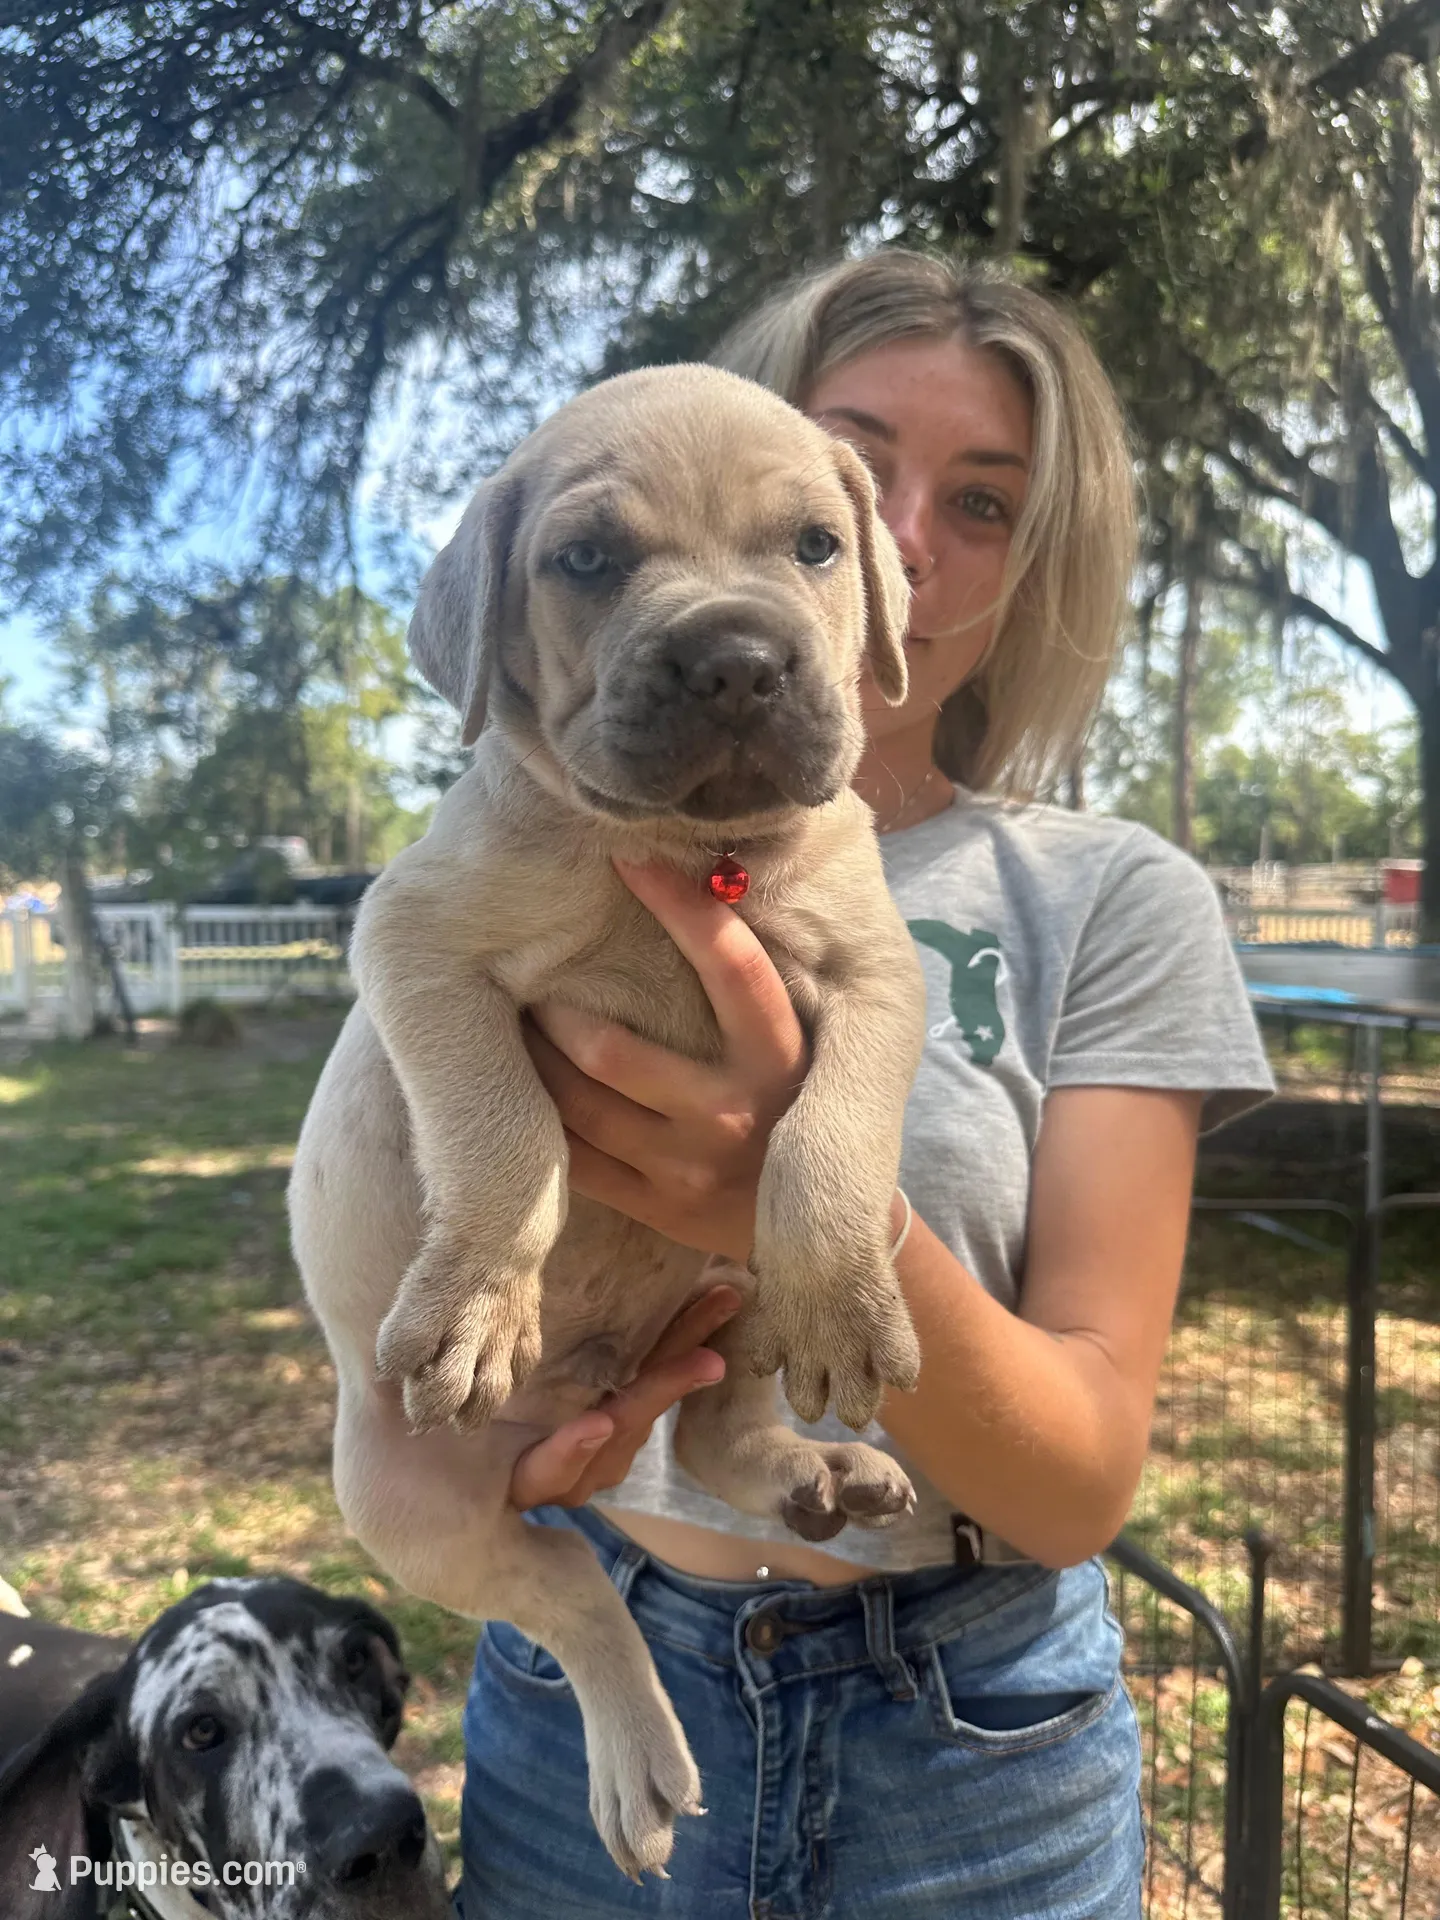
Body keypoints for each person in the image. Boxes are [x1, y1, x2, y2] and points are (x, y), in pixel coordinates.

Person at [454, 250, 1274, 1918]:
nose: (905, 533)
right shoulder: (529, 844)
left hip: (966, 1741)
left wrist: (790, 1193)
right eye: (855, 461)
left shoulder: (1110, 898)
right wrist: (509, 1452)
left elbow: (1078, 1480)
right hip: (583, 1686)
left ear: (1035, 561)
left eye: (981, 503)